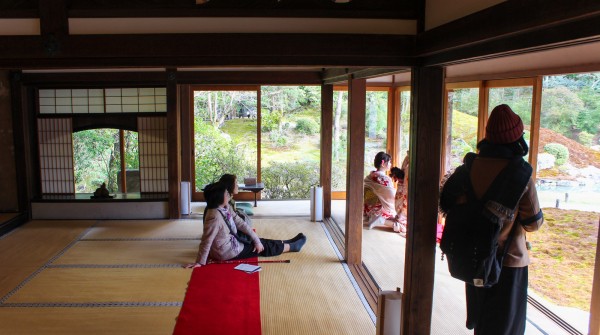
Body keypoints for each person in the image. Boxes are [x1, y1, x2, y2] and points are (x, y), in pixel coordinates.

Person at [439, 104, 544, 334]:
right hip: (508, 261)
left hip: (474, 255)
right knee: (505, 325)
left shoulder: (470, 166)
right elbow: (533, 223)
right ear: (516, 137)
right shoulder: (520, 173)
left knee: (482, 317)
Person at [184, 182, 306, 268]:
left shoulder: (224, 207)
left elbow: (239, 222)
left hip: (232, 242)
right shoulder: (213, 216)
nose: (228, 195)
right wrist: (200, 262)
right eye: (226, 194)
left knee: (259, 240)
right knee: (262, 247)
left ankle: (286, 242)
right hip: (227, 251)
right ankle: (293, 247)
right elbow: (206, 239)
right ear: (219, 197)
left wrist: (255, 239)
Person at [363, 151, 400, 231]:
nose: (390, 164)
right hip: (379, 210)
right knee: (402, 222)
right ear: (383, 164)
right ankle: (381, 220)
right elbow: (391, 197)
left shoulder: (370, 176)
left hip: (369, 209)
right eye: (389, 162)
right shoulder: (384, 179)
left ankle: (375, 218)